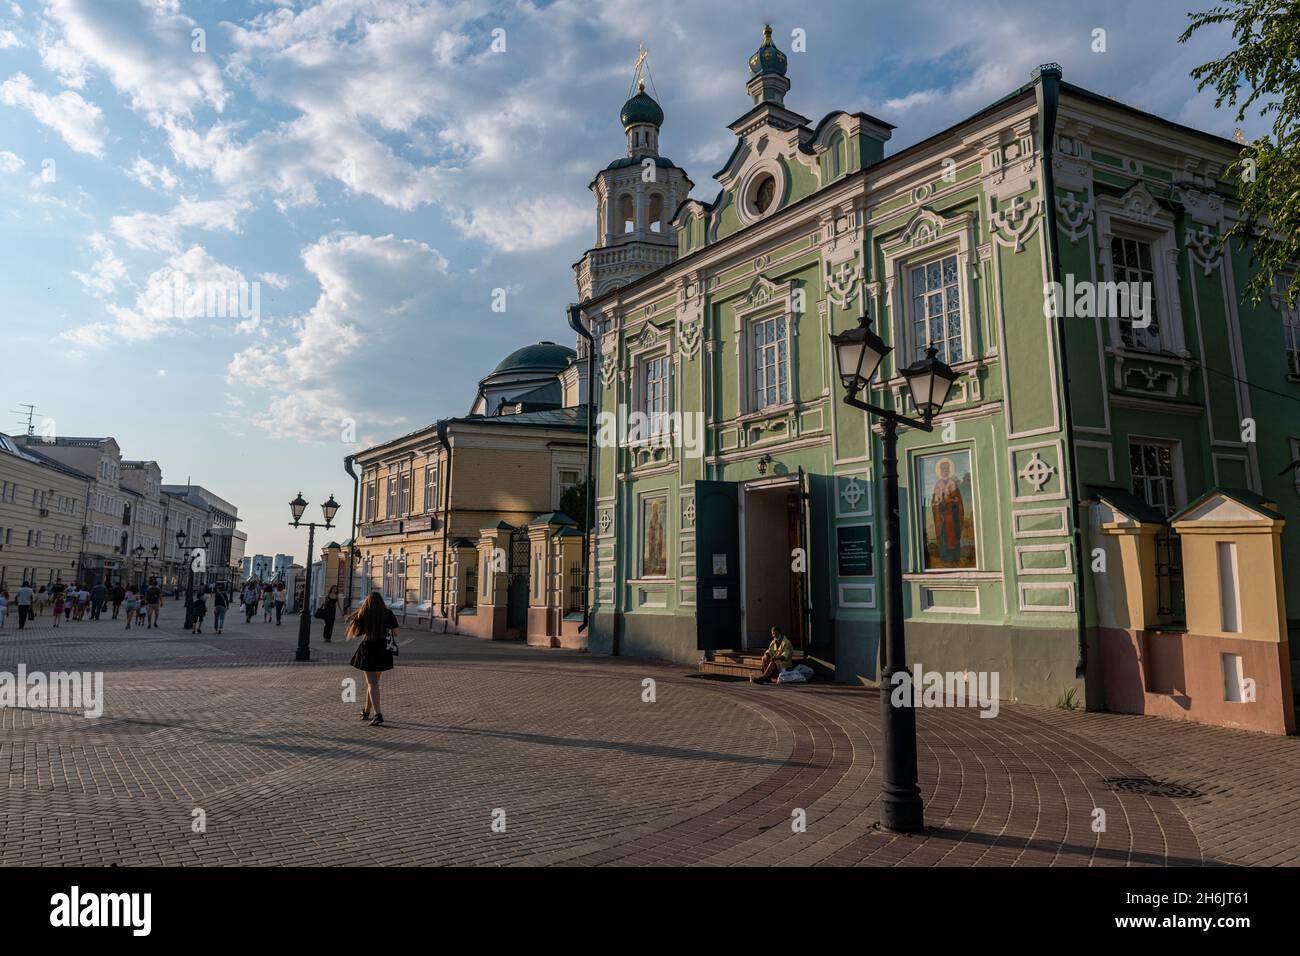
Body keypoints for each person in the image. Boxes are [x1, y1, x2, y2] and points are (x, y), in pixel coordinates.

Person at [347, 591, 397, 726]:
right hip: (383, 650)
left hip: (368, 649)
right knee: (373, 683)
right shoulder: (388, 613)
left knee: (372, 683)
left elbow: (358, 632)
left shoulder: (364, 613)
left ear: (368, 601)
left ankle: (378, 714)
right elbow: (395, 632)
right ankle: (366, 711)